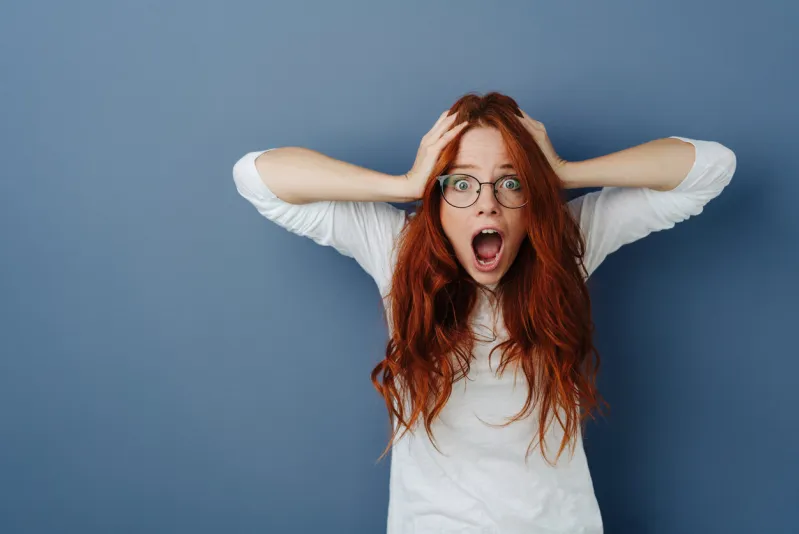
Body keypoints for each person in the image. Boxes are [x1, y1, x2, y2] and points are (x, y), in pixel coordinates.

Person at [231, 92, 737, 533]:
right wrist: (405, 184)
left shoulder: (565, 243)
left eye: (511, 182)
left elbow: (711, 167)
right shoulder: (397, 249)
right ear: (438, 196)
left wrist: (561, 172)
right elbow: (257, 176)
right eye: (462, 183)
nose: (487, 205)